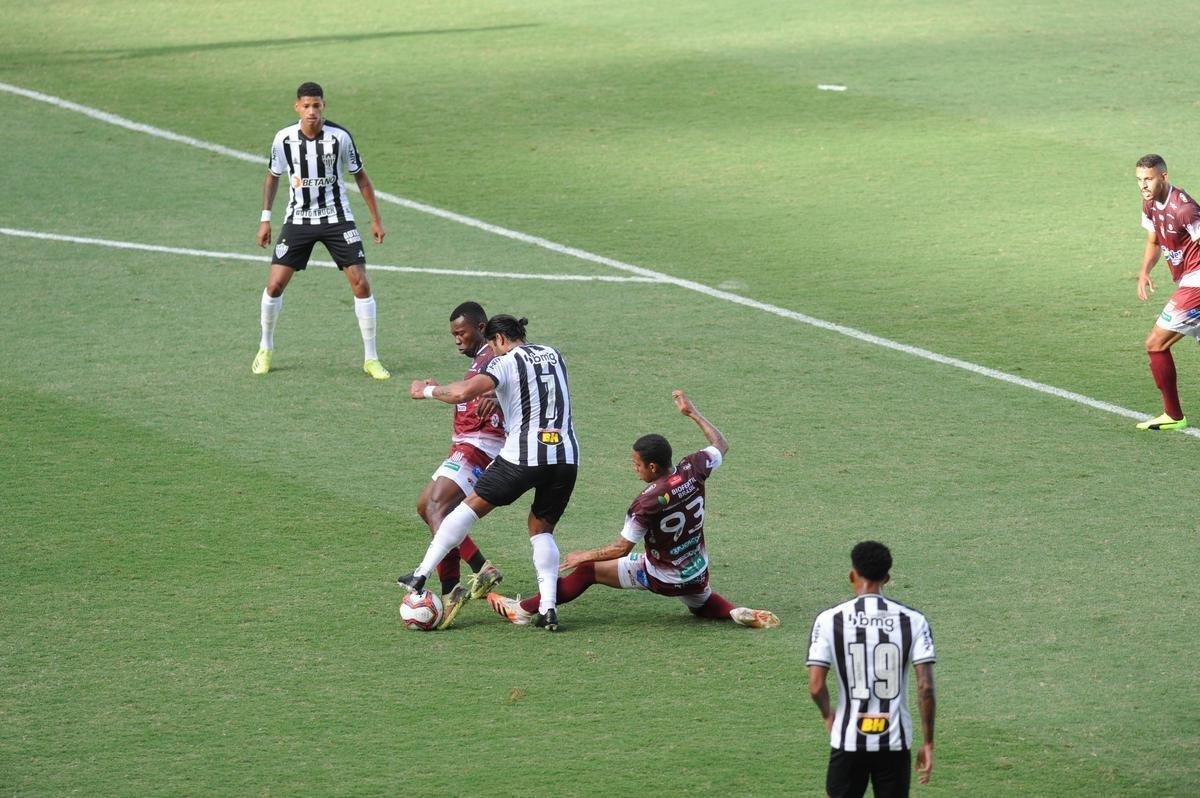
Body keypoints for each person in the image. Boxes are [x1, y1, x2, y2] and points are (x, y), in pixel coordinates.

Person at [486, 390, 780, 630]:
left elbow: (621, 548)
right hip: (696, 569)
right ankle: (733, 611)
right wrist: (692, 413)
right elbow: (721, 443)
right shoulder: (694, 467)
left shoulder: (646, 503)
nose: (634, 468)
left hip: (662, 576)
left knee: (588, 571)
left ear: (653, 466)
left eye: (636, 464)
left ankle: (521, 610)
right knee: (700, 604)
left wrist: (583, 555)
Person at [398, 315, 578, 631]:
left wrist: (424, 392)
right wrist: (499, 397)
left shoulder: (505, 361)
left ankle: (421, 573)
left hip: (523, 455)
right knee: (541, 530)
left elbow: (462, 393)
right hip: (566, 456)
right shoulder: (553, 353)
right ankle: (548, 609)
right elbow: (538, 392)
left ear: (497, 340)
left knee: (462, 511)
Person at [252, 81, 390, 379]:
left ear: (323, 106)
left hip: (337, 220)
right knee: (274, 285)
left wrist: (375, 219)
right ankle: (265, 347)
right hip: (298, 220)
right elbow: (272, 177)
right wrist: (266, 218)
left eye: (316, 105)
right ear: (297, 107)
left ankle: (371, 357)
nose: (311, 111)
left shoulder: (340, 138)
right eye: (306, 106)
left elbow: (362, 178)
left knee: (362, 284)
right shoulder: (284, 139)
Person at [808, 541, 936, 798]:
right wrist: (928, 742)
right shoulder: (913, 620)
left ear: (851, 574)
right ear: (887, 578)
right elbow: (925, 686)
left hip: (848, 739)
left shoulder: (829, 620)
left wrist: (827, 715)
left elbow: (816, 686)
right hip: (895, 741)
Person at [415, 302, 506, 629]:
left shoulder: (494, 358)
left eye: (461, 333)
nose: (457, 339)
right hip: (468, 445)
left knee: (437, 506)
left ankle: (459, 583)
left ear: (481, 328)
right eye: (453, 334)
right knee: (426, 506)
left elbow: (500, 390)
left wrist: (427, 391)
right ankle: (474, 573)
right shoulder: (482, 360)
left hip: (481, 447)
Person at [1133, 153, 1200, 430]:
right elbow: (1154, 241)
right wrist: (1144, 271)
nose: (1143, 186)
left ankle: (1173, 415)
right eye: (1139, 180)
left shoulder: (1184, 209)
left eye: (1148, 179)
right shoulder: (1150, 204)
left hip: (1196, 283)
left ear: (1164, 176)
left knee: (1155, 343)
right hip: (1187, 280)